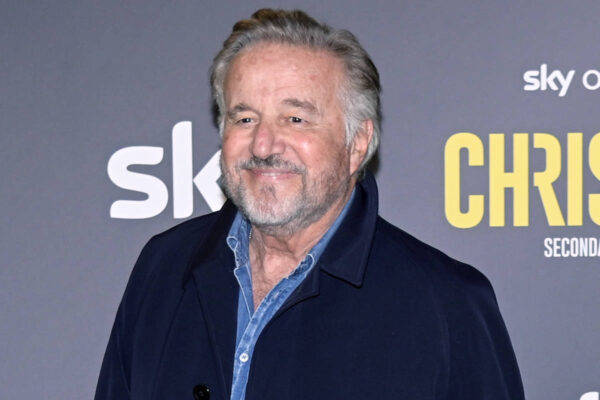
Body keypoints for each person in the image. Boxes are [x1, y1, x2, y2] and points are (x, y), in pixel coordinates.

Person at [95, 9, 525, 400]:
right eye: (244, 118)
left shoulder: (446, 304)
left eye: (295, 119)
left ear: (357, 143)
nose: (263, 144)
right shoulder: (164, 268)